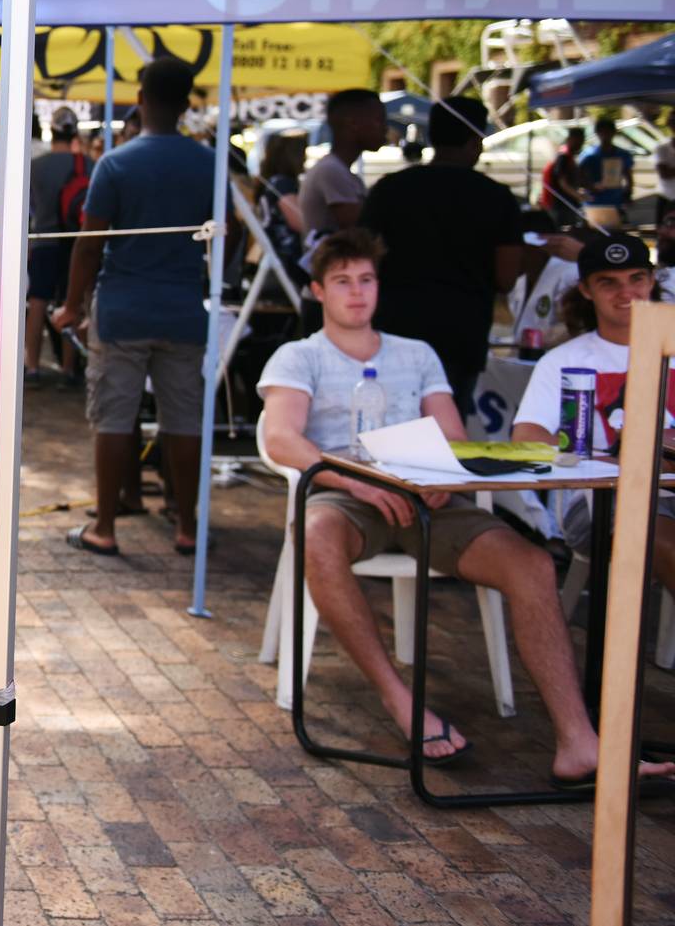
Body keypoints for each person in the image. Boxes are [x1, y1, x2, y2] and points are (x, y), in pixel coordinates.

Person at [259, 228, 670, 786]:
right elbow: (282, 439)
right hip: (344, 494)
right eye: (342, 282)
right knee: (317, 534)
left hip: (428, 498)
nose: (357, 293)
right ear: (317, 291)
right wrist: (360, 485)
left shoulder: (416, 352)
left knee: (532, 564)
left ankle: (579, 741)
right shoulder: (299, 354)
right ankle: (400, 699)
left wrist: (443, 476)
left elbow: (453, 438)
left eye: (366, 280)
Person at [52, 57, 213, 557]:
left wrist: (73, 306)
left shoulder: (116, 163)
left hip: (123, 308)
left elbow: (88, 243)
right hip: (185, 309)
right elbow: (230, 232)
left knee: (114, 417)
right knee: (183, 419)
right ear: (187, 103)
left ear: (140, 100)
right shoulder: (210, 163)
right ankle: (186, 524)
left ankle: (105, 525)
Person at [514, 234, 675, 579]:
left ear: (651, 281)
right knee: (650, 522)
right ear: (586, 290)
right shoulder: (563, 360)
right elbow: (526, 438)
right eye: (609, 283)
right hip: (599, 500)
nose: (626, 292)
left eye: (637, 279)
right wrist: (606, 462)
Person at [359, 96, 520, 419]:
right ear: (476, 141)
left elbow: (365, 260)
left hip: (395, 324)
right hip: (461, 331)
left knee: (388, 425)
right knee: (447, 430)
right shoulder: (496, 197)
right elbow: (507, 276)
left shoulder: (390, 189)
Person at [26, 107, 87, 384]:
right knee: (70, 303)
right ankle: (67, 369)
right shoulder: (87, 165)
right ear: (75, 132)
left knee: (37, 303)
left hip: (43, 240)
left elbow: (31, 209)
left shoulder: (36, 166)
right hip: (75, 243)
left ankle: (33, 366)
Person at [299, 88, 385, 243]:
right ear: (353, 123)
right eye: (379, 120)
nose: (385, 128)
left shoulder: (342, 172)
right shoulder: (331, 171)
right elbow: (361, 230)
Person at [505, 208, 580, 352]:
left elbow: (576, 327)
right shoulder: (519, 282)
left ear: (535, 247)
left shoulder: (570, 274)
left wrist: (535, 338)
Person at [256, 131, 310, 287]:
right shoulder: (283, 184)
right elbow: (299, 222)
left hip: (277, 255)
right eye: (302, 155)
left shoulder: (272, 181)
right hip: (288, 256)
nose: (305, 160)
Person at [577, 115, 634, 228]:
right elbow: (579, 178)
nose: (606, 135)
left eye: (609, 132)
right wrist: (592, 187)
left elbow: (629, 177)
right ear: (597, 133)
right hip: (594, 202)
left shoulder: (622, 154)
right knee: (593, 234)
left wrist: (627, 195)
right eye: (603, 132)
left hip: (615, 202)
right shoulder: (589, 155)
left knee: (615, 234)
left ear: (614, 133)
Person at [539, 125, 585, 228]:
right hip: (560, 205)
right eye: (578, 140)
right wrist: (579, 196)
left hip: (566, 204)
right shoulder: (563, 156)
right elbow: (563, 182)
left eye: (582, 140)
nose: (580, 144)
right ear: (570, 139)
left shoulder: (569, 156)